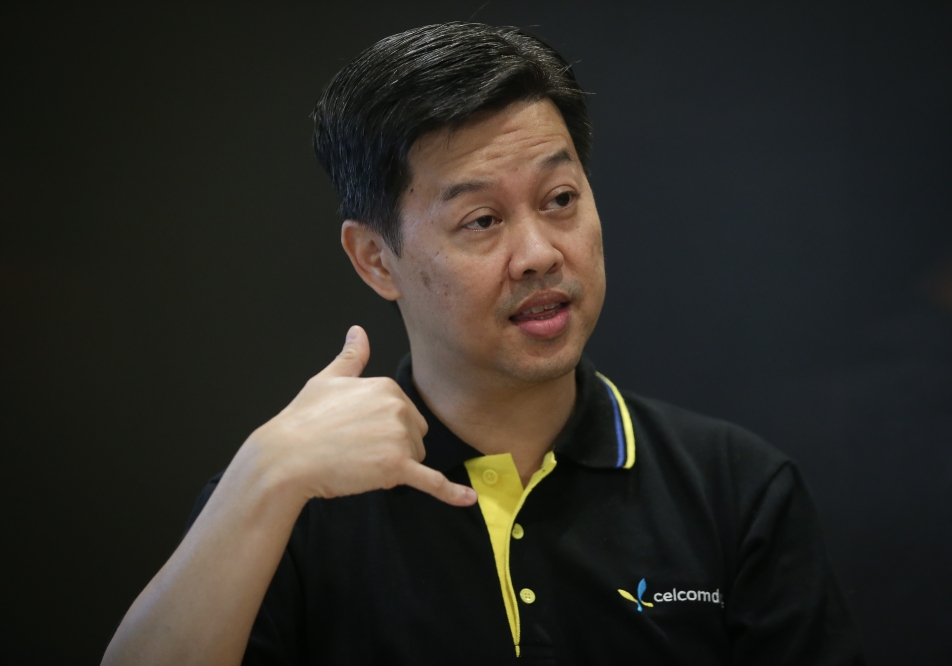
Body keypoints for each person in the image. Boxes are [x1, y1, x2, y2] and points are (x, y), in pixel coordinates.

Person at [102, 22, 864, 666]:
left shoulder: (734, 488)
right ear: (375, 259)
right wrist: (262, 480)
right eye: (481, 221)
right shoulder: (297, 498)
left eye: (560, 200)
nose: (538, 253)